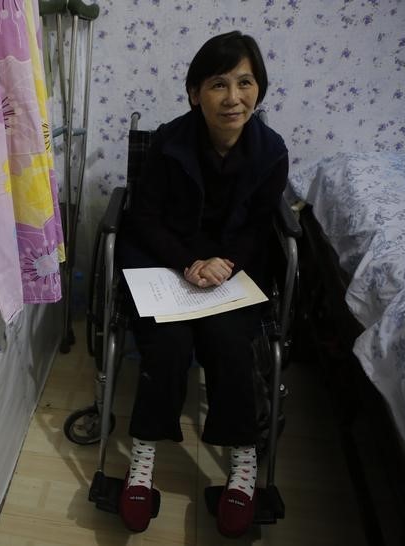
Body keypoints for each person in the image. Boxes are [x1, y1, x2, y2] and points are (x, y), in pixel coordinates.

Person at [116, 31, 288, 538]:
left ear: (258, 89)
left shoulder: (271, 151)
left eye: (245, 82)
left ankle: (242, 466)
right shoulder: (169, 141)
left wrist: (226, 262)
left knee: (232, 347)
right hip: (164, 263)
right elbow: (143, 218)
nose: (233, 97)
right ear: (195, 93)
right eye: (218, 84)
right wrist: (191, 262)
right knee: (166, 346)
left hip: (232, 271)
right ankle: (142, 462)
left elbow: (260, 228)